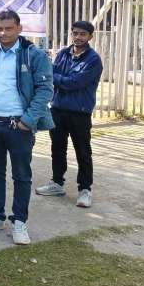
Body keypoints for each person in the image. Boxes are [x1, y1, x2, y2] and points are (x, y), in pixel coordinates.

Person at [0, 10, 54, 245]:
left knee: (21, 175)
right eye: (0, 29)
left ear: (19, 28)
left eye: (9, 28)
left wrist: (28, 120)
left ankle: (19, 222)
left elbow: (45, 90)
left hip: (19, 126)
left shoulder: (33, 55)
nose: (4, 33)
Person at [37, 20, 103, 208]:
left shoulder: (93, 60)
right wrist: (56, 77)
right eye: (75, 33)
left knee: (83, 151)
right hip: (57, 109)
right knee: (57, 148)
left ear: (90, 36)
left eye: (83, 34)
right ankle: (57, 183)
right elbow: (51, 76)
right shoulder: (63, 54)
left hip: (79, 112)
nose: (78, 37)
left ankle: (85, 189)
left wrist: (55, 76)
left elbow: (75, 83)